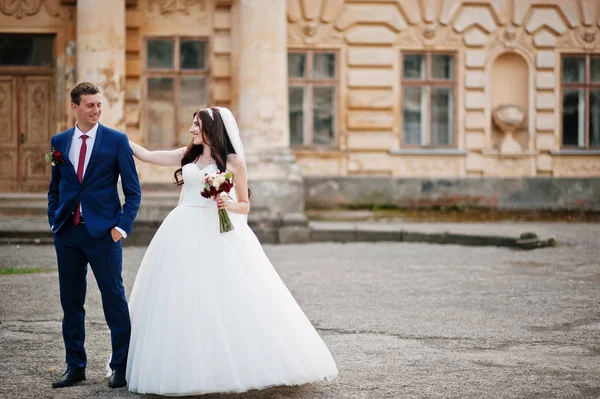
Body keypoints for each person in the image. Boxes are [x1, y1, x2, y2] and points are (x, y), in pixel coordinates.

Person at [125, 107, 338, 395]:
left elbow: (245, 205)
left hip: (218, 231)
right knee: (180, 294)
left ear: (212, 129)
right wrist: (115, 138)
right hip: (181, 231)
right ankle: (184, 365)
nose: (191, 130)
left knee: (225, 294)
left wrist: (226, 202)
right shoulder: (188, 155)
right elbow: (148, 155)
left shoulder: (234, 162)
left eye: (196, 126)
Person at [47, 82, 141, 389]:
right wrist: (54, 221)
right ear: (74, 107)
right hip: (68, 233)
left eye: (99, 105)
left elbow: (133, 192)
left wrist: (120, 228)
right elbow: (55, 187)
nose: (96, 110)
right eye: (90, 105)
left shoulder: (116, 141)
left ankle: (120, 367)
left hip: (104, 234)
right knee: (71, 302)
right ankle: (75, 366)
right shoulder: (59, 142)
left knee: (114, 300)